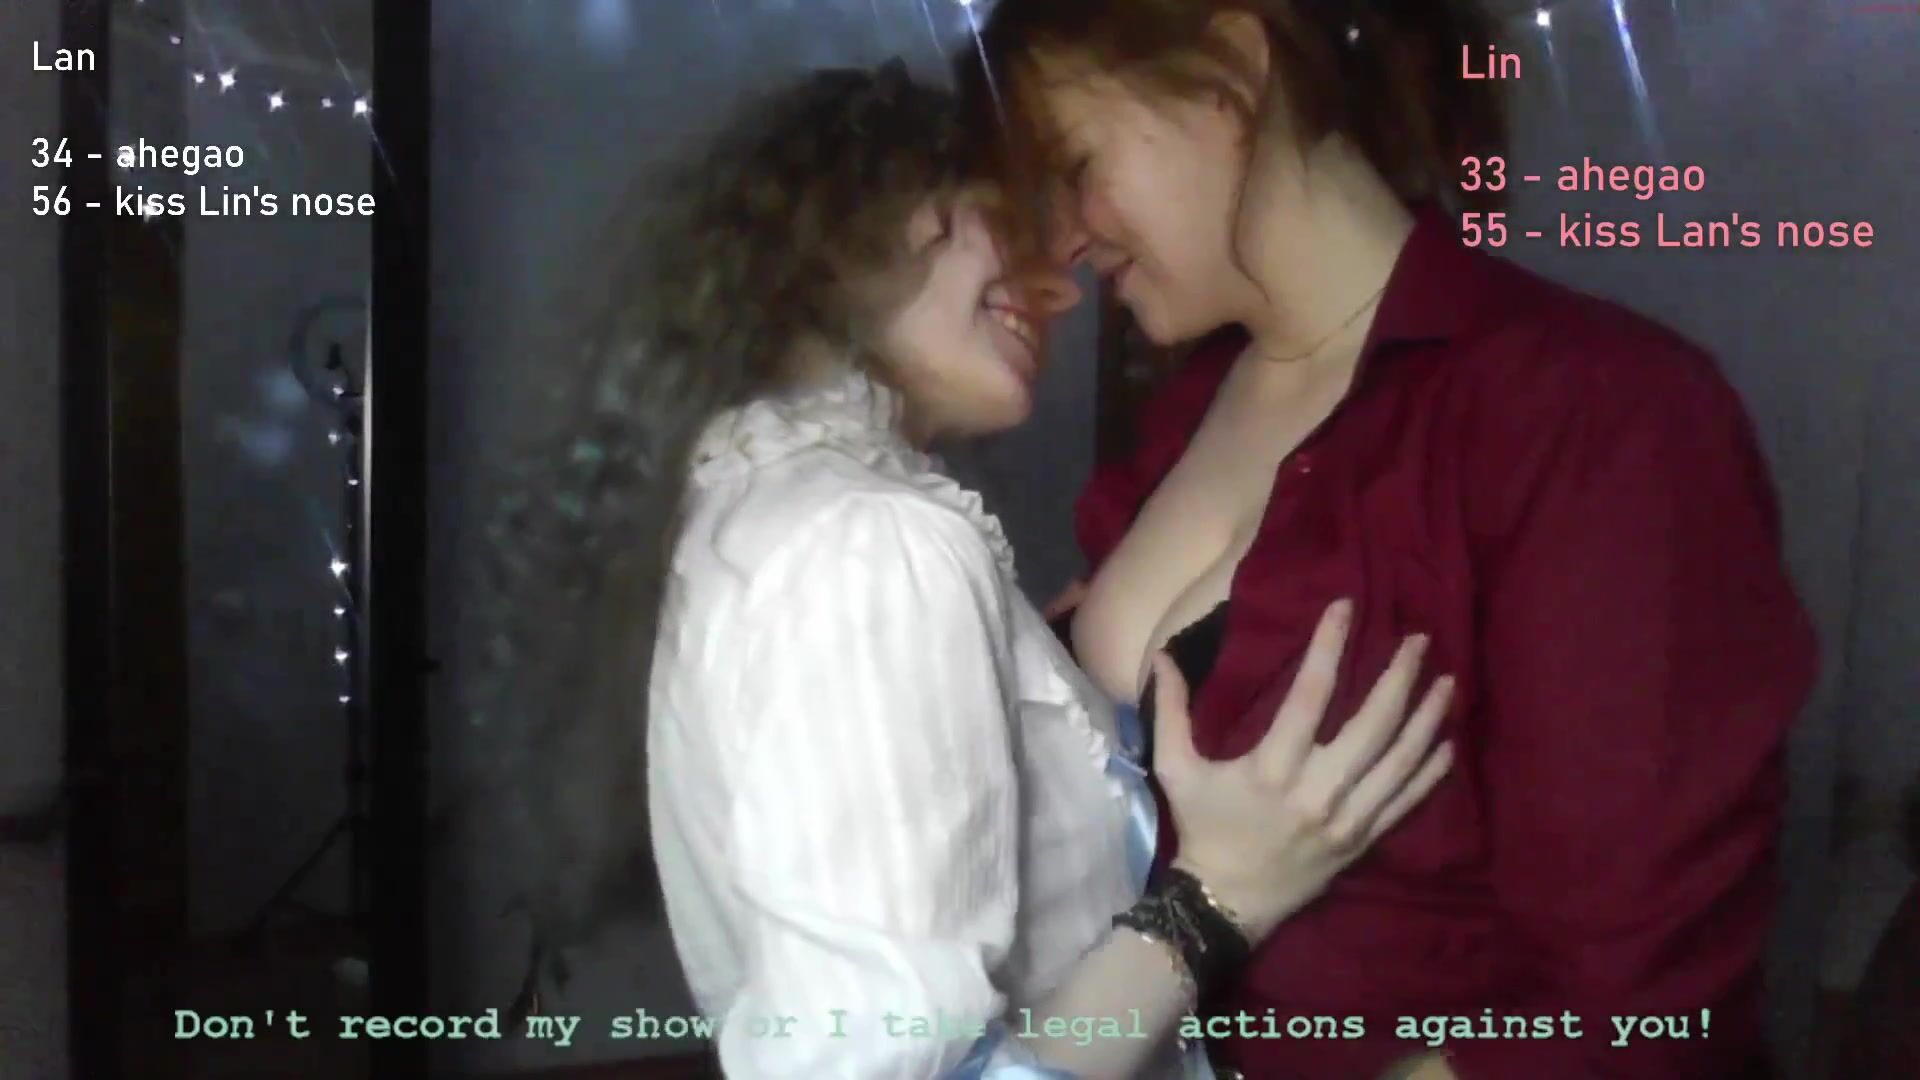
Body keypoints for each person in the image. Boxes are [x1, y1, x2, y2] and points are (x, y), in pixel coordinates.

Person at [477, 62, 1455, 1079]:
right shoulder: (868, 549)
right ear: (853, 226)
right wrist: (1215, 900)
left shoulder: (760, 514)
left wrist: (1056, 681)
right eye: (1004, 224)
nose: (1060, 286)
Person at [959, 2, 1820, 1078]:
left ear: (1232, 67)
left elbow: (1636, 999)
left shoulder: (1590, 411)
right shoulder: (1183, 412)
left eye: (1076, 167)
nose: (1062, 241)